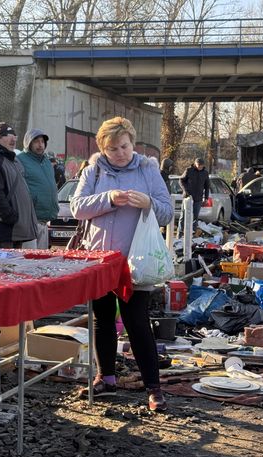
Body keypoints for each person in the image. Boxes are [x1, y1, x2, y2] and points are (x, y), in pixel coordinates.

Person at [70, 117, 173, 412]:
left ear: (133, 142)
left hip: (135, 262)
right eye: (113, 149)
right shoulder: (93, 170)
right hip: (100, 260)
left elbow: (167, 212)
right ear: (103, 148)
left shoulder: (148, 169)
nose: (120, 153)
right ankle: (106, 377)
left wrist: (148, 204)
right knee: (102, 320)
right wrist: (109, 198)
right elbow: (77, 207)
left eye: (125, 146)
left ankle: (154, 388)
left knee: (137, 322)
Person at [0, 122, 38, 248]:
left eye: (15, 135)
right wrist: (10, 217)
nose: (13, 138)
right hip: (4, 232)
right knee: (4, 267)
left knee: (13, 267)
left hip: (14, 232)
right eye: (8, 135)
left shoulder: (10, 160)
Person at [18, 129, 59, 249]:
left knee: (42, 260)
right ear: (28, 143)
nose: (40, 144)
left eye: (42, 141)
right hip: (30, 221)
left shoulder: (46, 161)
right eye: (36, 141)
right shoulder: (20, 160)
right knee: (30, 260)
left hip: (44, 221)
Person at [178, 157, 210, 232]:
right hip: (187, 197)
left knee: (195, 217)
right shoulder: (189, 170)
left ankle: (193, 233)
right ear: (195, 164)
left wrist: (206, 197)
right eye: (198, 165)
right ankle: (180, 232)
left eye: (201, 166)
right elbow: (181, 180)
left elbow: (207, 186)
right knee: (183, 215)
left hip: (198, 198)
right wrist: (185, 191)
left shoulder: (205, 173)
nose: (199, 167)